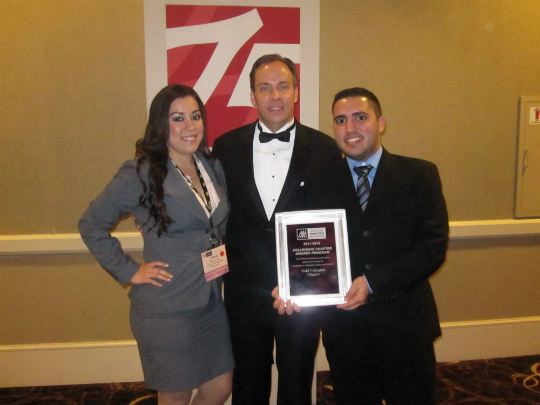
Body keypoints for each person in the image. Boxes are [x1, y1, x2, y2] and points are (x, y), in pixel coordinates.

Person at [274, 87, 449, 405]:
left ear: (380, 123)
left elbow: (432, 248)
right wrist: (291, 284)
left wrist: (372, 283)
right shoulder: (318, 182)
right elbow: (306, 247)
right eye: (340, 120)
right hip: (346, 331)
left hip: (405, 326)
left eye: (360, 117)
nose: (350, 128)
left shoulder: (420, 176)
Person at [78, 84, 234, 405]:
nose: (189, 126)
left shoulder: (211, 166)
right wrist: (130, 271)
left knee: (219, 388)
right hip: (167, 308)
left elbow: (216, 224)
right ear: (161, 124)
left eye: (195, 116)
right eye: (178, 118)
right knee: (175, 396)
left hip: (209, 302)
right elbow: (91, 224)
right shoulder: (140, 173)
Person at [212, 54, 342, 405]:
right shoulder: (225, 147)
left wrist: (308, 285)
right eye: (265, 88)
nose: (275, 96)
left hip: (301, 296)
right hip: (244, 292)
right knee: (248, 384)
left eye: (283, 87)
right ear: (252, 96)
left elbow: (334, 221)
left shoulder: (324, 149)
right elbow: (209, 213)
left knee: (297, 383)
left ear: (296, 92)